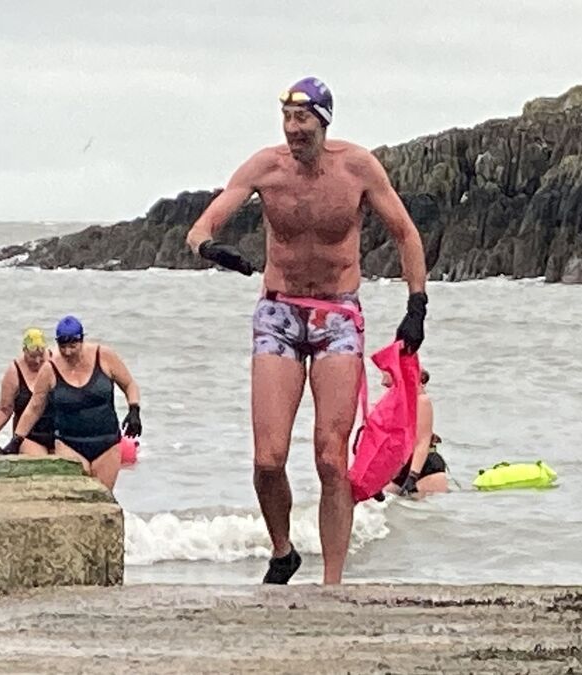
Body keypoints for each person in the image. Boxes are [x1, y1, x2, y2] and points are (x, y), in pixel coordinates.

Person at [184, 77, 429, 585]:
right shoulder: (266, 167)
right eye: (287, 119)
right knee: (268, 458)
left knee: (331, 458)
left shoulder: (357, 168)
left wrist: (417, 305)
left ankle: (332, 584)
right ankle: (282, 551)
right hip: (278, 313)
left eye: (303, 119)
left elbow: (406, 233)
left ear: (324, 121)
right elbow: (201, 228)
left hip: (337, 315)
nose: (293, 129)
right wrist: (211, 249)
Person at [7, 316, 141, 490]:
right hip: (69, 444)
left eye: (72, 346)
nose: (68, 352)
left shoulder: (104, 356)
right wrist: (17, 440)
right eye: (63, 346)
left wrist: (134, 409)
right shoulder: (50, 369)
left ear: (81, 340)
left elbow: (129, 384)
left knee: (103, 497)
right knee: (76, 494)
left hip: (107, 443)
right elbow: (34, 407)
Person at [0, 328, 56, 456]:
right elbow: (4, 409)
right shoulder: (14, 371)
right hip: (27, 437)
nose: (37, 361)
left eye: (41, 356)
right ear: (24, 351)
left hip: (57, 434)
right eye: (32, 356)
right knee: (39, 459)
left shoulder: (57, 362)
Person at [385, 368, 450, 497]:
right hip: (401, 467)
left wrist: (413, 476)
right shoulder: (391, 402)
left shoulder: (421, 400)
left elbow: (423, 441)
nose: (383, 383)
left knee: (420, 507)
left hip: (425, 466)